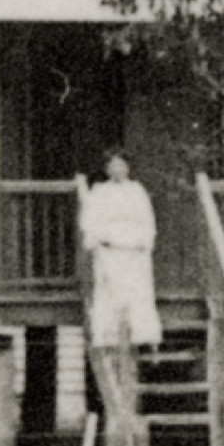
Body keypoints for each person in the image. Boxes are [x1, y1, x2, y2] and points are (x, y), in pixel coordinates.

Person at [80, 149, 163, 349]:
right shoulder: (99, 192)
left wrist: (144, 241)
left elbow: (147, 219)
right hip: (111, 248)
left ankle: (141, 332)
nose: (118, 170)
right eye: (113, 165)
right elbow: (89, 221)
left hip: (134, 248)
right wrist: (101, 239)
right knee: (111, 289)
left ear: (127, 168)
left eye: (121, 165)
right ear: (107, 169)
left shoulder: (137, 190)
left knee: (136, 289)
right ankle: (109, 334)